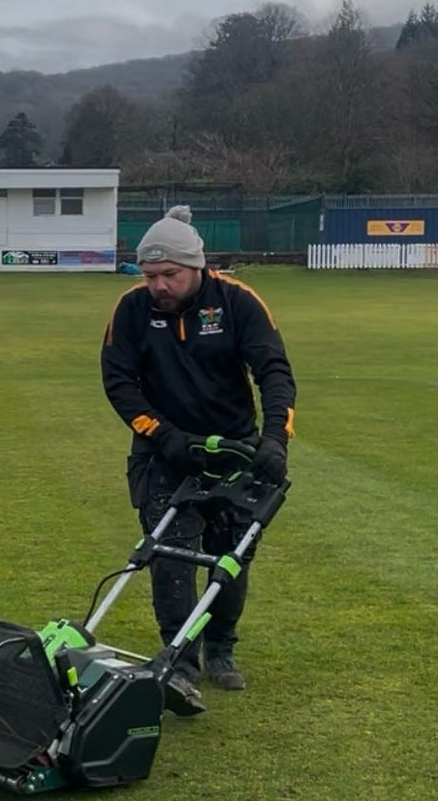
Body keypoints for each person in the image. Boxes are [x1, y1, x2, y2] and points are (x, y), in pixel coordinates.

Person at [100, 206, 296, 716]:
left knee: (231, 554)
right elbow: (119, 383)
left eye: (170, 275)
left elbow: (273, 371)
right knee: (169, 553)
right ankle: (179, 663)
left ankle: (221, 649)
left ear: (197, 267)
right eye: (149, 276)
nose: (158, 286)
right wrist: (161, 435)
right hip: (164, 451)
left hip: (234, 448)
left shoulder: (237, 303)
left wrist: (275, 439)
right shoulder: (131, 310)